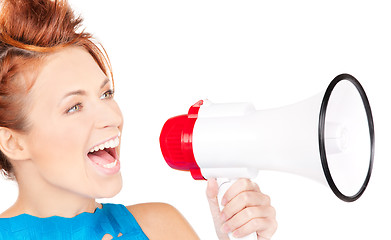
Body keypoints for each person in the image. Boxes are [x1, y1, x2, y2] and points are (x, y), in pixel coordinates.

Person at [0, 0, 277, 239]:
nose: (112, 117)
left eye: (106, 93)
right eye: (74, 107)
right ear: (12, 142)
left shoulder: (161, 228)